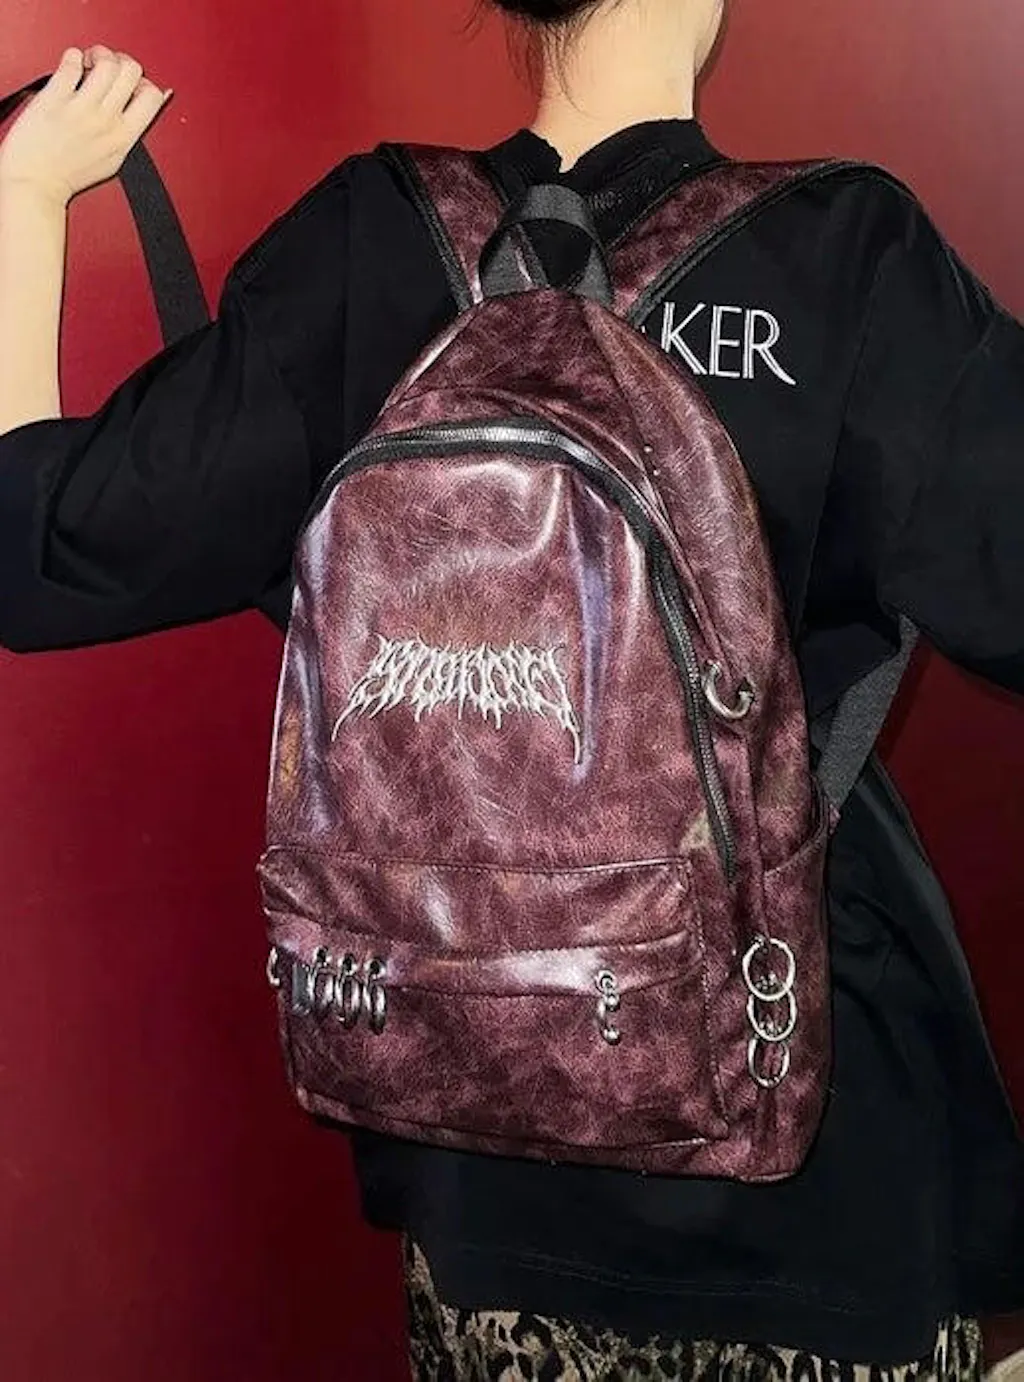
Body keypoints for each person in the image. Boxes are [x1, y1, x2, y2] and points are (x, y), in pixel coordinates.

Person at [0, 3, 1022, 1378]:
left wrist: (23, 195)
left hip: (478, 1151)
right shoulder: (850, 255)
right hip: (810, 1128)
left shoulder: (365, 243)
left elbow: (38, 553)